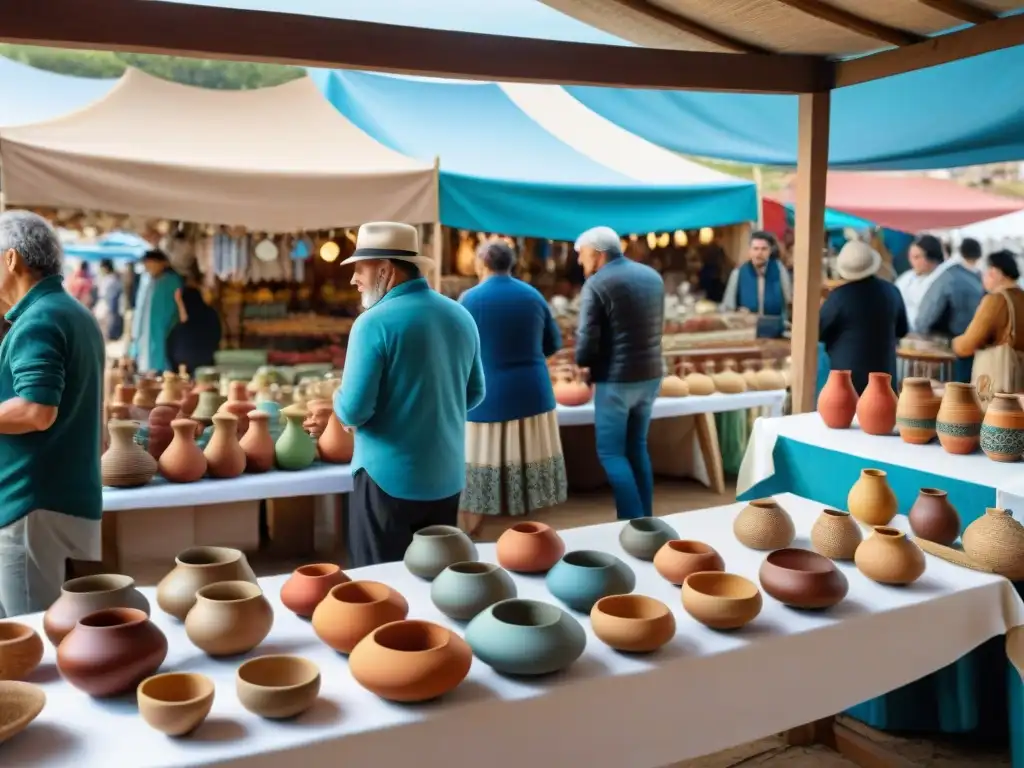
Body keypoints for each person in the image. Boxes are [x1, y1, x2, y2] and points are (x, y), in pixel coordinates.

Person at [335, 222, 484, 567]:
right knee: (436, 578)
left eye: (359, 268)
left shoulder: (373, 322)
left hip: (387, 478)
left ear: (385, 270)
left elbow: (354, 411)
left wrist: (335, 400)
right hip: (446, 476)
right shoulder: (459, 315)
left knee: (379, 584)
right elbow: (475, 393)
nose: (353, 279)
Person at [0, 211, 105, 617]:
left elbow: (36, 409)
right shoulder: (74, 313)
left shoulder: (38, 320)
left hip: (32, 502)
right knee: (58, 629)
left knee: (33, 635)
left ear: (11, 260)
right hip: (64, 495)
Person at [458, 239, 567, 536]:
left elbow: (458, 349)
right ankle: (531, 525)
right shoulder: (533, 296)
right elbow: (553, 344)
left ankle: (480, 524)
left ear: (481, 263)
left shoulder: (469, 299)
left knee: (480, 462)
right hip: (532, 392)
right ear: (512, 263)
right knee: (530, 459)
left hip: (486, 395)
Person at [575, 226, 664, 521]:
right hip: (650, 374)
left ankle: (632, 523)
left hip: (616, 379)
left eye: (583, 254)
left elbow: (588, 338)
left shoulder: (597, 284)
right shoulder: (652, 276)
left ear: (598, 253)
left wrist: (584, 364)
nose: (579, 261)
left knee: (612, 454)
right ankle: (647, 519)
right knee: (637, 447)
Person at [820, 241, 909, 394]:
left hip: (848, 384)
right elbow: (902, 330)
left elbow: (819, 331)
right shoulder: (892, 291)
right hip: (884, 381)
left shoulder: (839, 297)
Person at [952, 250, 1024, 396]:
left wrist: (953, 344)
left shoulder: (996, 300)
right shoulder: (1021, 297)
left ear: (994, 272)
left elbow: (968, 344)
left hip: (997, 388)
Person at [915, 238, 985, 383]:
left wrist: (920, 332)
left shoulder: (947, 277)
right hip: (977, 347)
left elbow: (926, 316)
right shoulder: (982, 280)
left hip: (948, 347)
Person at [722, 230, 792, 338]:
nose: (759, 253)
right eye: (756, 249)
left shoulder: (780, 270)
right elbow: (727, 308)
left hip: (776, 333)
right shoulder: (738, 273)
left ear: (769, 251)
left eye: (764, 249)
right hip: (746, 334)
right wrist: (738, 314)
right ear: (750, 251)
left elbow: (789, 302)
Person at [129, 249, 183, 374]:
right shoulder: (145, 280)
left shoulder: (172, 281)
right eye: (146, 264)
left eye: (152, 263)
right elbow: (139, 308)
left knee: (163, 363)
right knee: (144, 364)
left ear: (163, 263)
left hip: (167, 330)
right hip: (144, 331)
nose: (148, 267)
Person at [166, 267, 221, 377]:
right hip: (206, 360)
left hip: (183, 364)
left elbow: (170, 343)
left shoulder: (181, 322)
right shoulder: (210, 313)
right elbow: (217, 335)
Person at [895, 234, 943, 332]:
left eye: (916, 257)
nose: (911, 261)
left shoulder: (941, 280)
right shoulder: (907, 277)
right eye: (911, 257)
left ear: (931, 258)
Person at [93, 258, 124, 342]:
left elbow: (110, 297)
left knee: (103, 330)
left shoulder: (111, 280)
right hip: (104, 305)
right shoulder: (108, 279)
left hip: (106, 306)